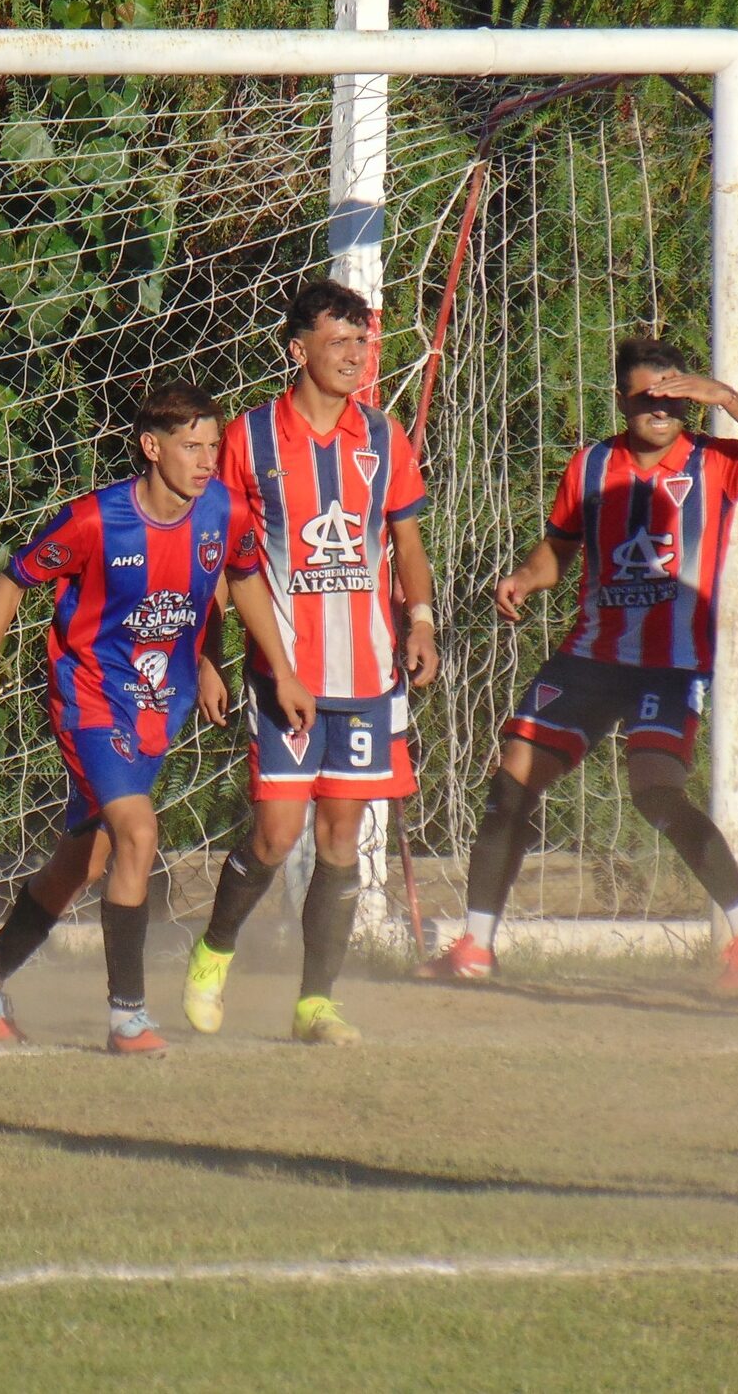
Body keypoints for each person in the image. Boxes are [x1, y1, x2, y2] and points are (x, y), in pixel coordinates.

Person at [0, 382, 314, 1055]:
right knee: (139, 834)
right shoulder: (95, 521)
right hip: (89, 696)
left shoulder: (224, 513)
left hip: (157, 704)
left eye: (213, 446)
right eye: (191, 446)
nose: (207, 460)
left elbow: (240, 580)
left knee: (85, 862)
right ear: (151, 447)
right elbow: (13, 580)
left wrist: (259, 667)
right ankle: (128, 1018)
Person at [418, 337, 738, 989]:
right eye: (647, 396)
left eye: (674, 395)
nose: (661, 408)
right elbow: (558, 551)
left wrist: (727, 398)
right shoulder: (591, 466)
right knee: (512, 781)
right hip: (590, 657)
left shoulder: (716, 460)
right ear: (622, 400)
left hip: (669, 666)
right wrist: (525, 579)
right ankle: (474, 948)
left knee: (655, 790)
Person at [183, 279, 439, 1047]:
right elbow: (221, 556)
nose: (356, 358)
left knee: (340, 838)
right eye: (339, 344)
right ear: (298, 351)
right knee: (274, 833)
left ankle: (314, 1004)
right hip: (282, 673)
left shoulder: (384, 438)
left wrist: (421, 620)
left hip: (366, 677)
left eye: (363, 344)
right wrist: (208, 655)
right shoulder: (250, 439)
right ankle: (211, 954)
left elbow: (407, 541)